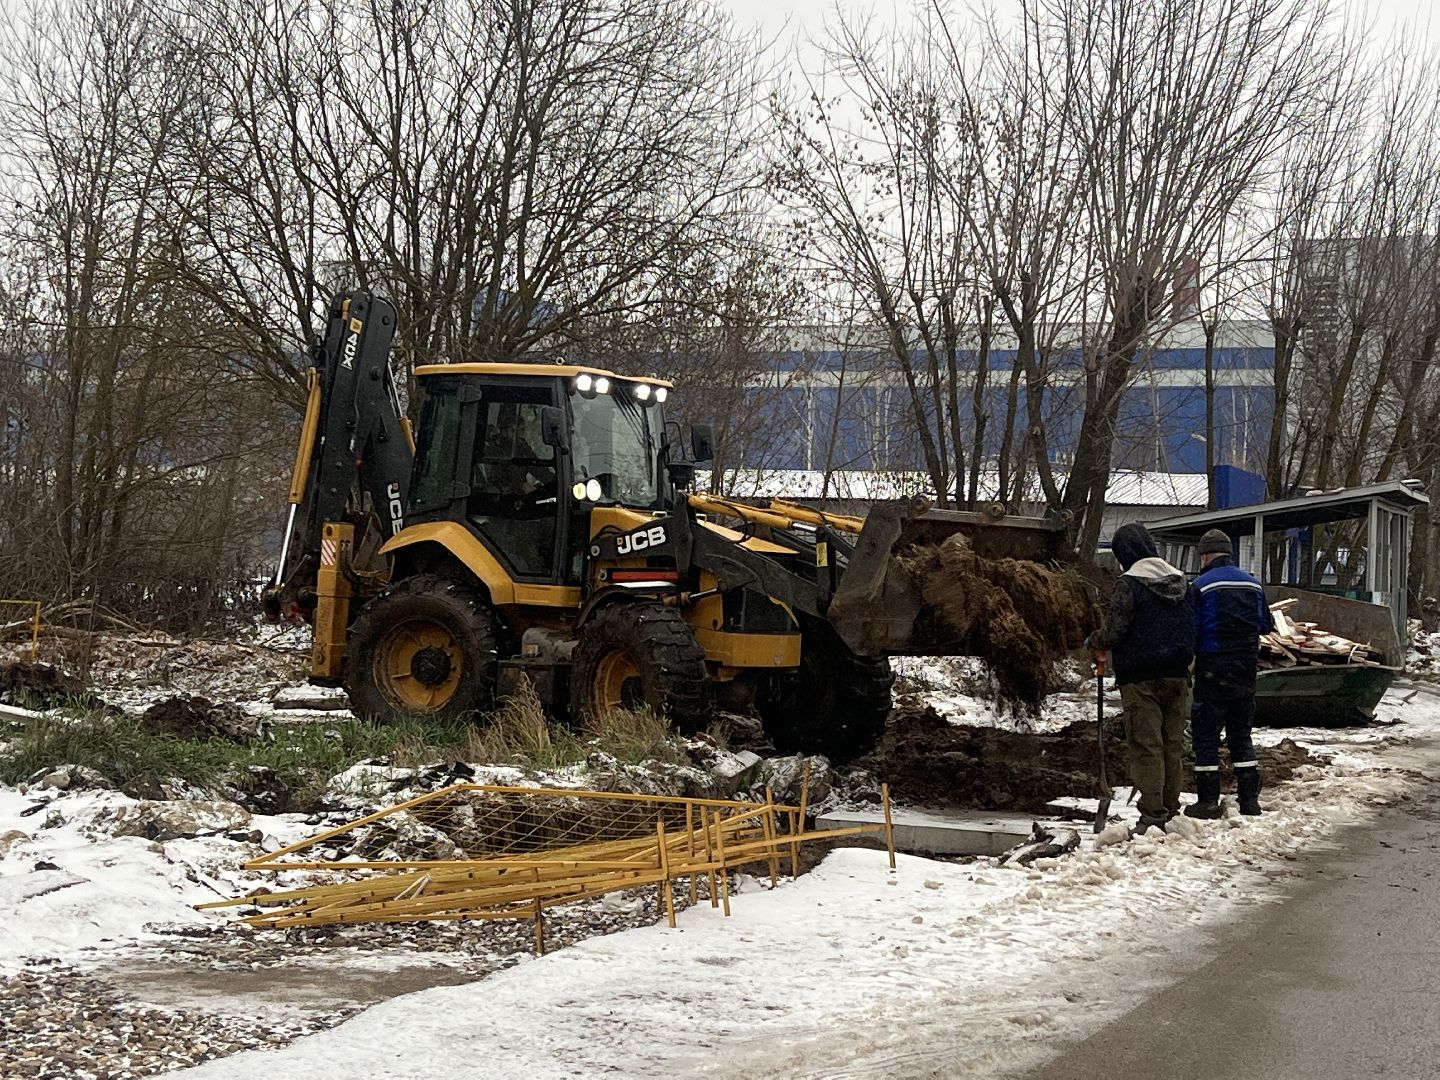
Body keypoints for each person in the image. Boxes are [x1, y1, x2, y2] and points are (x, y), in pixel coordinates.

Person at [1088, 522, 1197, 834]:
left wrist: (1095, 642)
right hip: (1178, 674)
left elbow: (1115, 630)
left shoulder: (1130, 584)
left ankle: (1152, 816)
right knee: (1171, 745)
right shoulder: (1182, 582)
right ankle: (1170, 810)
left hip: (1141, 677)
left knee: (1147, 745)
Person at [1185, 528, 1274, 818]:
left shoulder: (1200, 586)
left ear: (1206, 555)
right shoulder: (1254, 586)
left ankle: (1208, 801)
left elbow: (1191, 629)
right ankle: (1250, 800)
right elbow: (1265, 625)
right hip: (1246, 671)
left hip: (1213, 669)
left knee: (1206, 737)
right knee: (1241, 735)